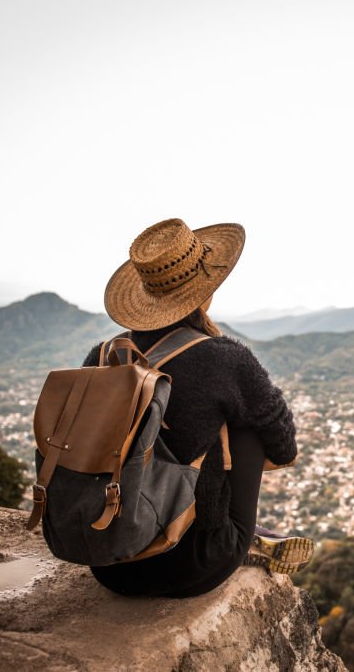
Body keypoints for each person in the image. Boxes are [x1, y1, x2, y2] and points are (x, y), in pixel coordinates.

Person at [85, 218, 313, 598]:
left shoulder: (105, 356)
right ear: (206, 291)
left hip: (107, 559)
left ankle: (239, 530)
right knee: (249, 424)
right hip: (192, 565)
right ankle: (240, 535)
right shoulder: (224, 360)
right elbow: (284, 447)